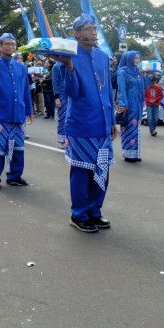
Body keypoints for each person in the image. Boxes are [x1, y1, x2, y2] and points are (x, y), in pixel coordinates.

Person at [51, 14, 116, 233]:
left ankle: (95, 211)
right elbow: (71, 92)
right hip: (81, 124)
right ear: (76, 34)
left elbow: (107, 91)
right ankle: (78, 214)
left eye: (94, 29)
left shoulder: (102, 56)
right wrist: (69, 66)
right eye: (88, 29)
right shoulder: (67, 57)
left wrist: (113, 120)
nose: (93, 33)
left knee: (102, 170)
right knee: (81, 172)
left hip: (103, 124)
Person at [0, 33, 33, 190]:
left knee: (19, 148)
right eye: (7, 44)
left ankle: (14, 176)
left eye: (13, 44)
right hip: (0, 113)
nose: (11, 46)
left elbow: (25, 90)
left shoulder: (20, 67)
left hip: (18, 112)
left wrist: (29, 110)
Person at [117, 50, 145, 162]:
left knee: (136, 130)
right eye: (135, 58)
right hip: (128, 105)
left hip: (137, 105)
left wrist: (148, 76)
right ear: (129, 59)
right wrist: (124, 104)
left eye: (138, 58)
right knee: (129, 129)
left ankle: (135, 153)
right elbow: (121, 89)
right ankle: (128, 154)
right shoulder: (122, 72)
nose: (137, 60)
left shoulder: (138, 72)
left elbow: (143, 87)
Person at [52, 60, 67, 148]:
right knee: (62, 117)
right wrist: (57, 98)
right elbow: (55, 83)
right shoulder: (56, 66)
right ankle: (61, 140)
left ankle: (68, 139)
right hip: (61, 95)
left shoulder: (69, 63)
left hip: (70, 95)